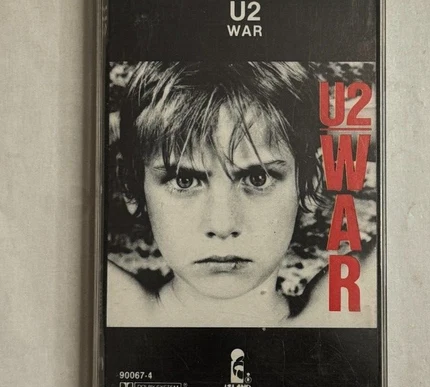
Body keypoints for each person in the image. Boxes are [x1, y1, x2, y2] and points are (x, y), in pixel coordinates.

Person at [106, 61, 376, 327]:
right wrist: (139, 127)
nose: (222, 226)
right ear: (131, 186)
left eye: (258, 179)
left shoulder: (335, 318)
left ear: (309, 183)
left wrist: (306, 125)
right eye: (184, 181)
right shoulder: (116, 312)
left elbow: (399, 131)